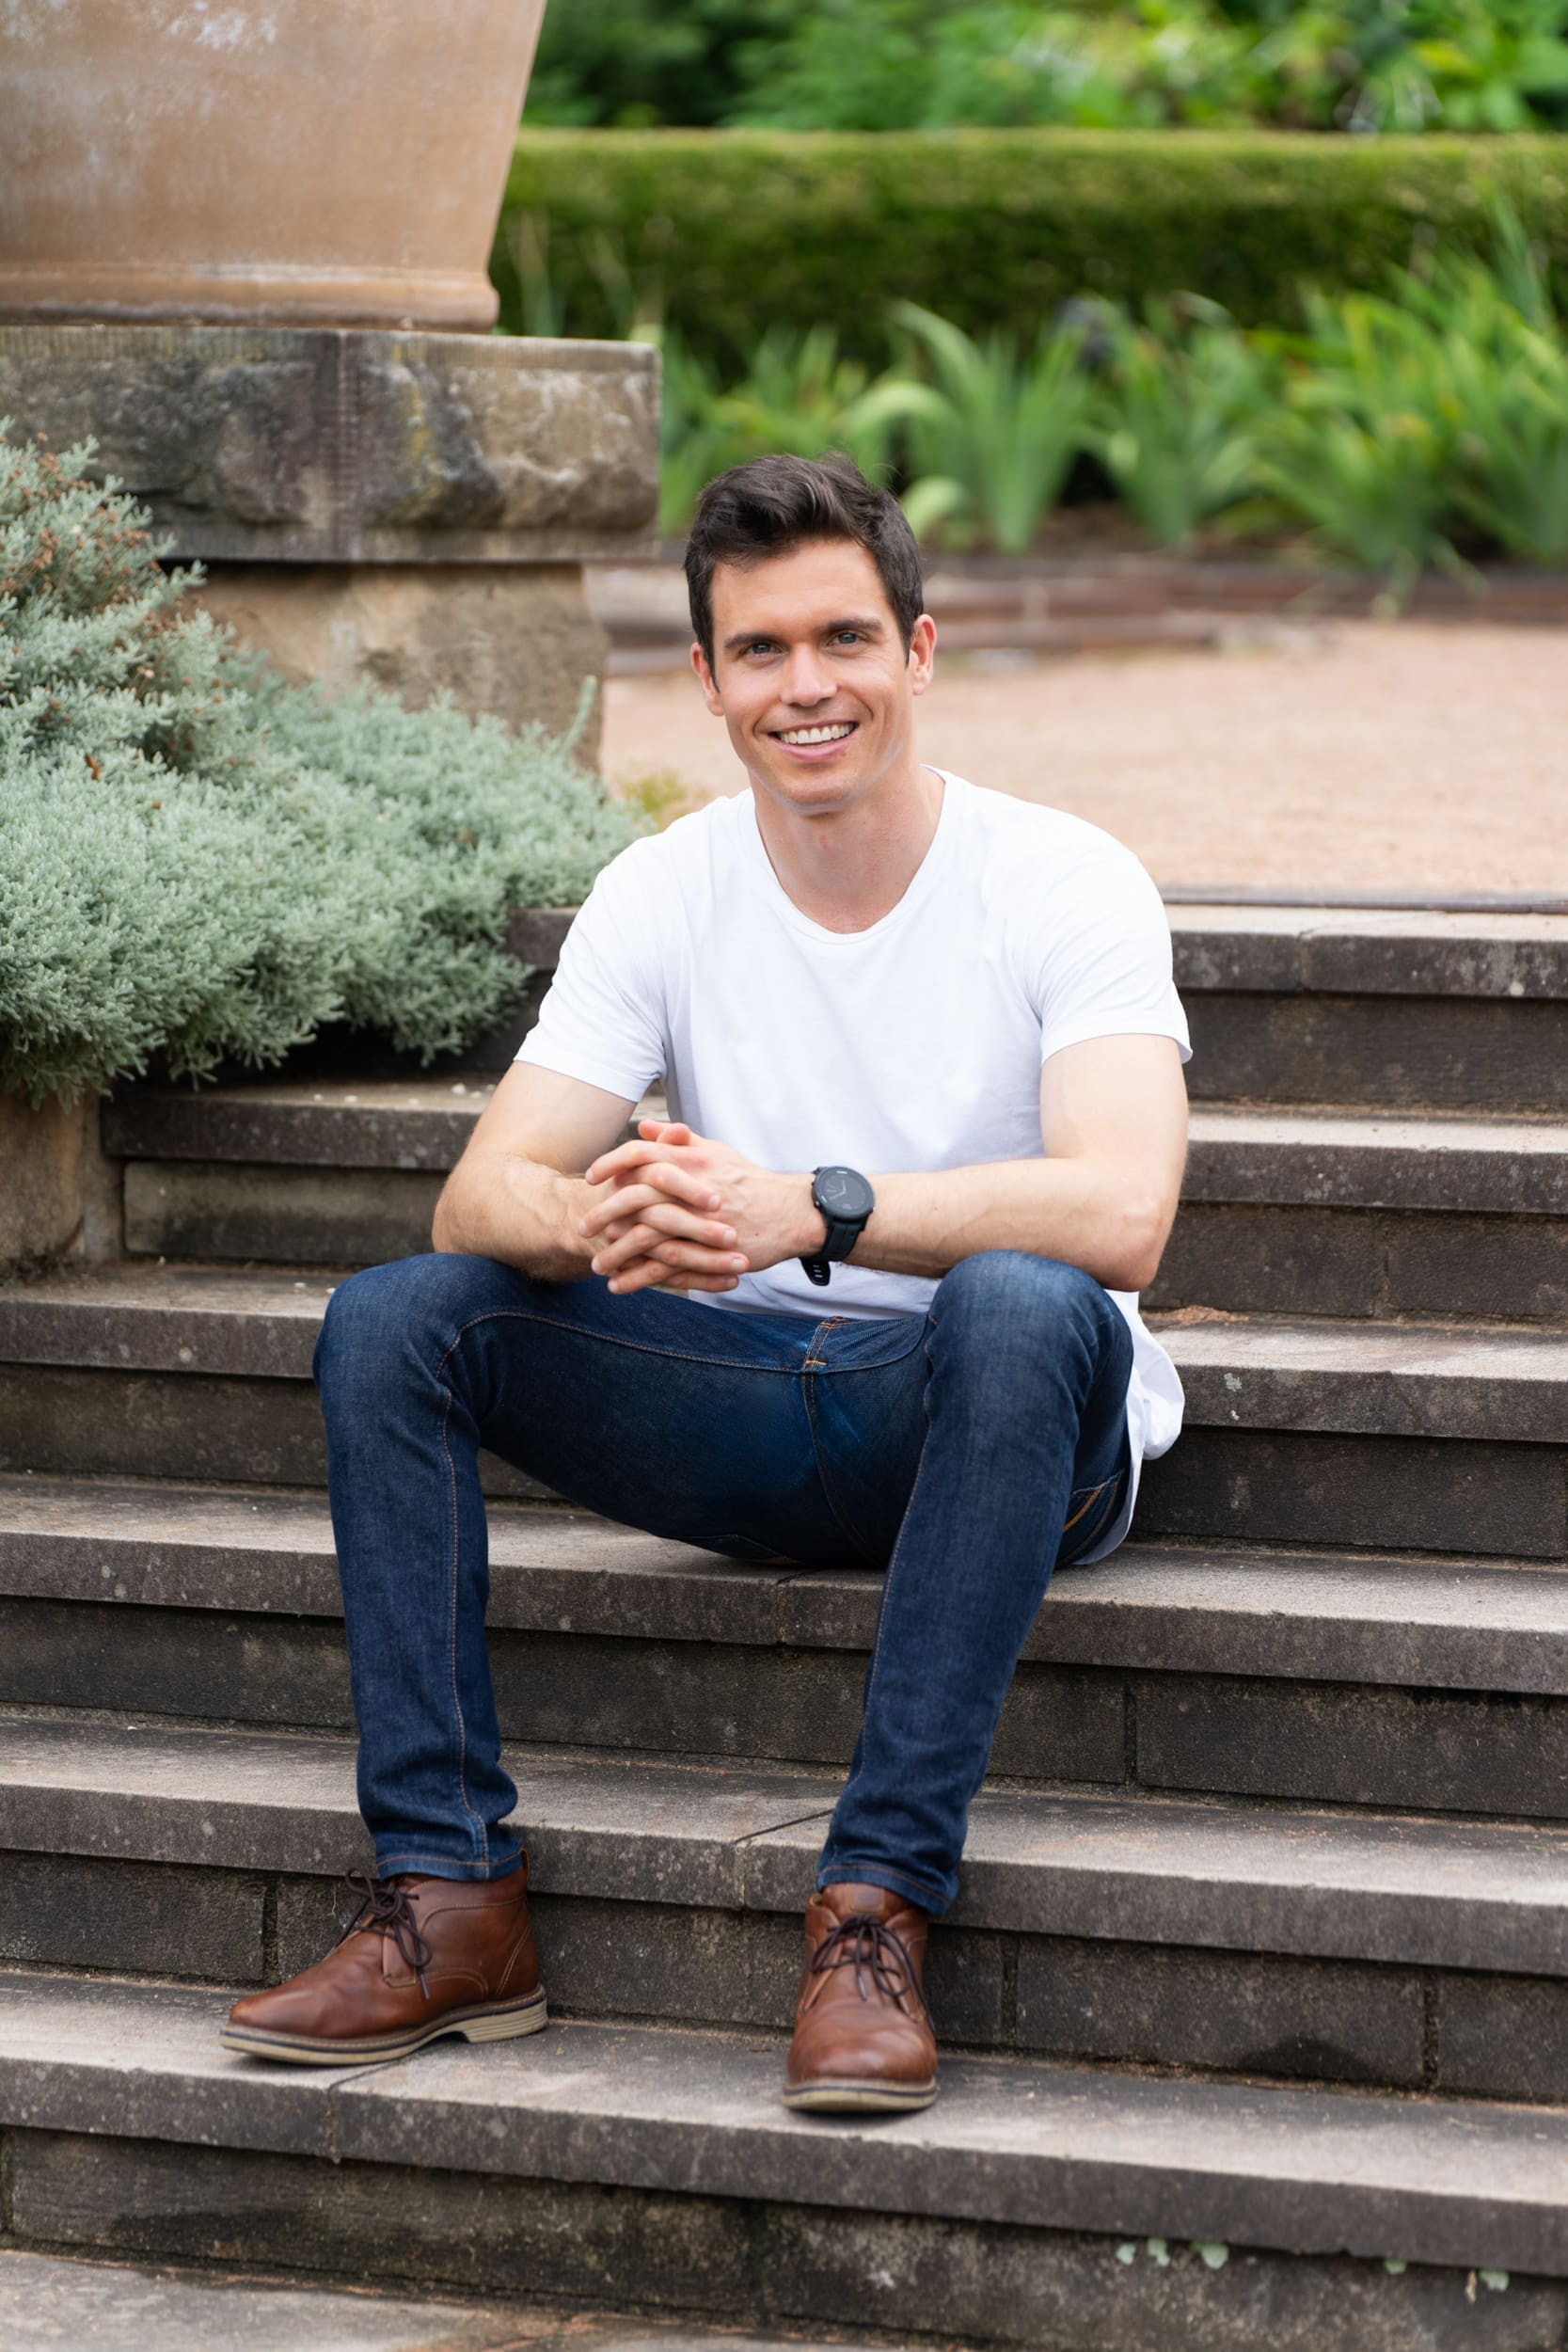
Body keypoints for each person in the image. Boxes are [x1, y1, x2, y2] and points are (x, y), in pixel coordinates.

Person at [223, 453, 1190, 2112]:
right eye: (761, 651)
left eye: (843, 639)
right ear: (707, 679)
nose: (806, 686)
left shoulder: (1062, 877)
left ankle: (872, 1910)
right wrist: (619, 1217)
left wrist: (801, 1209)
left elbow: (1123, 1212)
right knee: (392, 1317)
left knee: (1023, 1299)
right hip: (747, 1402)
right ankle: (451, 1899)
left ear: (919, 651)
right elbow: (479, 1196)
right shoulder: (662, 891)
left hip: (1002, 1418)